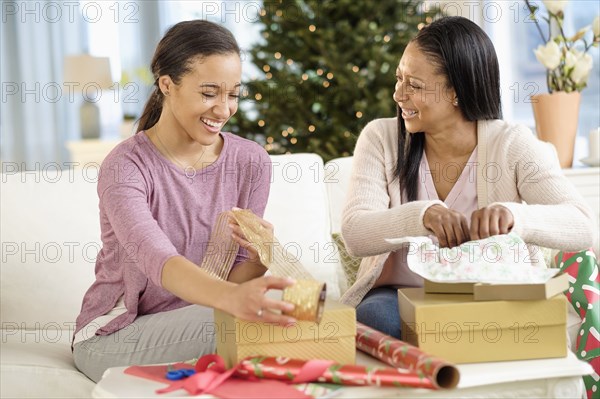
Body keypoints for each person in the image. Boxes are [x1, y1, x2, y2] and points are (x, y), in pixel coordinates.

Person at [339, 16, 596, 339]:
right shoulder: (381, 138)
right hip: (399, 295)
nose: (398, 95)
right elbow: (355, 233)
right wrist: (423, 215)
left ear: (457, 92)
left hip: (488, 291)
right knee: (375, 318)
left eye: (414, 85)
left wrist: (514, 216)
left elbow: (582, 226)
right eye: (399, 79)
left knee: (514, 327)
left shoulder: (512, 144)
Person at [72, 20, 296, 382]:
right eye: (209, 93)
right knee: (239, 327)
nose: (224, 110)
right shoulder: (125, 167)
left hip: (203, 319)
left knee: (281, 323)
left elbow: (232, 284)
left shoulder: (250, 161)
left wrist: (258, 261)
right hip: (113, 336)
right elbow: (160, 260)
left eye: (234, 94)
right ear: (166, 85)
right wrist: (234, 301)